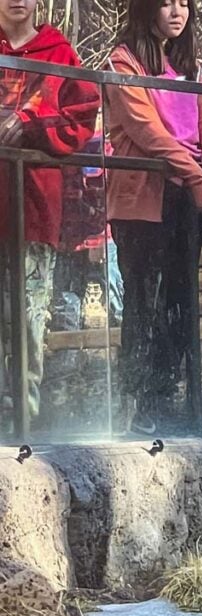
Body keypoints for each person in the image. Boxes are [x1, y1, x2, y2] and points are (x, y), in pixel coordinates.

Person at [106, 0, 202, 436]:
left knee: (181, 300)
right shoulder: (123, 61)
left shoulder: (189, 68)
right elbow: (149, 133)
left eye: (184, 4)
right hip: (143, 198)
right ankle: (144, 402)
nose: (177, 12)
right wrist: (201, 180)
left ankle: (178, 398)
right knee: (146, 302)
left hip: (186, 196)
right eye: (166, 4)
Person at [0, 0, 99, 427]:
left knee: (28, 313)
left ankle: (22, 411)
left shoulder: (59, 53)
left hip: (35, 203)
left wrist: (32, 123)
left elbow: (81, 118)